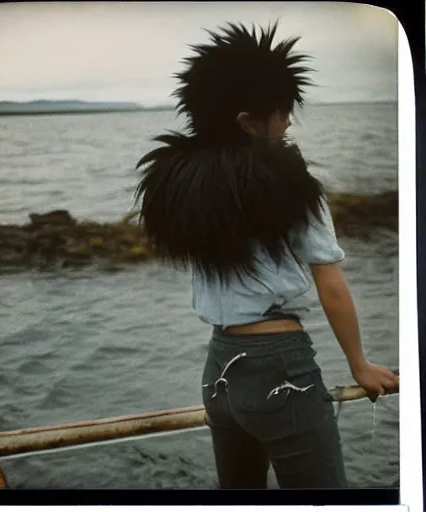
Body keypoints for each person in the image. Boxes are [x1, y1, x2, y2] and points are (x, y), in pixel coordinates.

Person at [134, 22, 398, 489]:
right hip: (281, 370)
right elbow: (330, 282)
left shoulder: (183, 192)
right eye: (283, 111)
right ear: (247, 122)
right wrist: (360, 365)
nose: (290, 121)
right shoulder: (289, 185)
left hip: (218, 370)